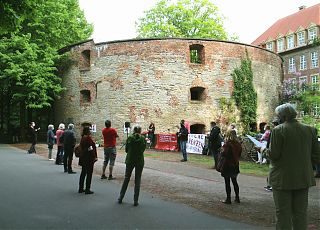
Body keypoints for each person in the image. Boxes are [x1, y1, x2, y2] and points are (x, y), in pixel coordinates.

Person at [268, 103, 320, 229]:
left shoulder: (278, 130)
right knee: (301, 213)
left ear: (283, 116)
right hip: (303, 177)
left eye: (278, 116)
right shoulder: (310, 130)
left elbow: (274, 155)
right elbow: (317, 155)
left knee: (283, 213)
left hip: (282, 178)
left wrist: (263, 150)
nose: (277, 118)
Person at [118, 126, 146, 206]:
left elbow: (126, 150)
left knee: (126, 178)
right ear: (140, 131)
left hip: (130, 160)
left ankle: (121, 197)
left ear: (134, 130)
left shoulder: (130, 138)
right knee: (137, 180)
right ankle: (135, 200)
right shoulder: (143, 139)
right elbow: (143, 149)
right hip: (139, 161)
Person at [219, 129, 242, 204]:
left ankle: (228, 199)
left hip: (227, 164)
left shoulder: (228, 144)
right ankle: (237, 197)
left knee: (227, 182)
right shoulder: (238, 144)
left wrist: (221, 151)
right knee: (234, 181)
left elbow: (224, 153)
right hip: (235, 164)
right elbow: (239, 154)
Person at [78, 126, 98, 194]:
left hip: (83, 157)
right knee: (89, 173)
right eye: (90, 130)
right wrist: (94, 156)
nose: (91, 131)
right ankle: (87, 189)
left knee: (83, 172)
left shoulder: (83, 137)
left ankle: (81, 188)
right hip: (88, 158)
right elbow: (90, 148)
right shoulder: (88, 138)